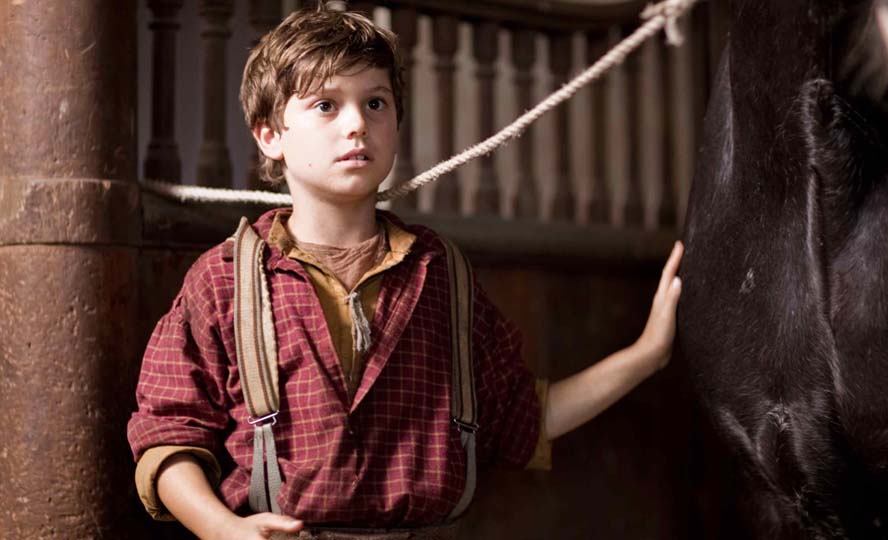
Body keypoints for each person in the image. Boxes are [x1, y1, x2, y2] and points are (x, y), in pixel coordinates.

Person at [127, 6, 684, 540]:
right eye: (326, 105)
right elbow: (168, 436)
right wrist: (221, 528)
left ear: (396, 123)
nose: (356, 125)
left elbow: (522, 419)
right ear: (270, 135)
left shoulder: (444, 276)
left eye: (375, 103)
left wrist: (646, 355)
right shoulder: (225, 280)